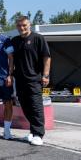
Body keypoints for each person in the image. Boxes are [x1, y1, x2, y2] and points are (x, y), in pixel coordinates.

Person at [11, 16, 51, 146]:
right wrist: (10, 74)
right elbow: (11, 59)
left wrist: (45, 75)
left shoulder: (38, 38)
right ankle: (33, 132)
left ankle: (39, 134)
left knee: (36, 107)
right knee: (25, 106)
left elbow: (47, 57)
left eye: (24, 25)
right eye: (19, 26)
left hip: (34, 79)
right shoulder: (15, 41)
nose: (22, 28)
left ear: (29, 25)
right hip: (20, 79)